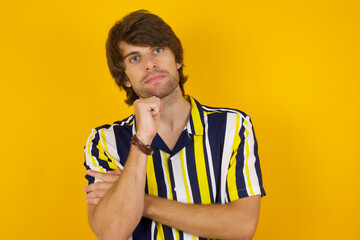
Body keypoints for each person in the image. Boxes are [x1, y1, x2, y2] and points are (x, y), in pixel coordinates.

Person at [83, 9, 266, 240]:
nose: (150, 64)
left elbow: (241, 227)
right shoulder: (104, 141)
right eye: (135, 58)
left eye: (157, 50)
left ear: (177, 59)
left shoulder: (232, 127)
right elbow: (110, 233)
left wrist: (144, 202)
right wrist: (141, 141)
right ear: (125, 78)